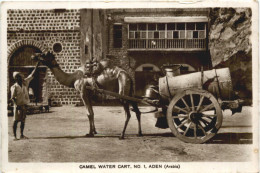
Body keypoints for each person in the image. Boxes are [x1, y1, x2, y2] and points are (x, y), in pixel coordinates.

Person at [10, 62, 40, 140]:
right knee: (16, 121)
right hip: (18, 106)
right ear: (15, 78)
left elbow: (32, 74)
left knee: (23, 120)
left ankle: (21, 135)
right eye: (18, 77)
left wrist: (37, 65)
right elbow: (13, 98)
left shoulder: (25, 83)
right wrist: (17, 106)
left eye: (20, 76)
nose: (20, 77)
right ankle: (14, 136)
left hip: (24, 105)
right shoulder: (14, 87)